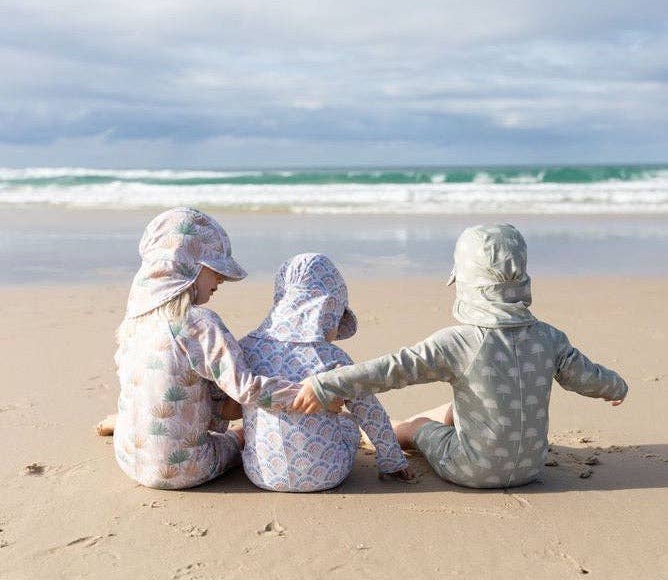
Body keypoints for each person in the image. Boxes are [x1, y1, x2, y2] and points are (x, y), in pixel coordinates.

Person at [293, 224, 628, 489]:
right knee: (460, 409)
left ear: (465, 281)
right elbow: (587, 376)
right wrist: (615, 387)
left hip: (470, 469)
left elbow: (390, 370)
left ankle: (398, 430)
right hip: (531, 467)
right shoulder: (549, 337)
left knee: (421, 426)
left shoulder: (459, 342)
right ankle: (433, 421)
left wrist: (325, 385)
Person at [113, 207, 308, 490]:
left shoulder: (134, 324)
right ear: (187, 265)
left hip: (128, 457)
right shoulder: (199, 323)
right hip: (182, 469)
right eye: (215, 270)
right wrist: (308, 394)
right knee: (241, 436)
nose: (221, 280)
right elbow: (246, 389)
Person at [238, 253, 414, 492]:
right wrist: (392, 460)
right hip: (327, 474)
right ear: (328, 310)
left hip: (261, 474)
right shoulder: (332, 357)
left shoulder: (246, 348)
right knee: (349, 421)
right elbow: (370, 412)